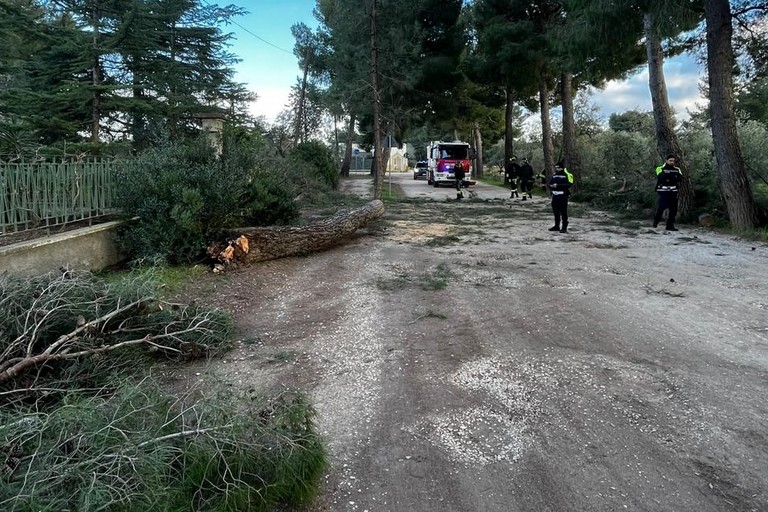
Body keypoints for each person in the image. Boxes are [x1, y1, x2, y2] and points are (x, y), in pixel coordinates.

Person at [653, 154, 683, 231]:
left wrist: (669, 177)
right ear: (666, 161)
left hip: (673, 191)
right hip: (663, 191)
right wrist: (672, 177)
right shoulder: (659, 168)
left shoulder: (677, 169)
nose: (672, 162)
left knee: (673, 209)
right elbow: (661, 177)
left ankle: (670, 226)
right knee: (662, 207)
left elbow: (680, 178)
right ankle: (656, 222)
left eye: (673, 161)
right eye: (670, 160)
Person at [548, 161, 572, 233]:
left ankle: (564, 227)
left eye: (557, 168)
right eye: (555, 167)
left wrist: (558, 186)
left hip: (563, 196)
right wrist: (551, 186)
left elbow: (569, 185)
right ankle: (556, 226)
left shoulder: (567, 175)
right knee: (556, 211)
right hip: (555, 196)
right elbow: (550, 183)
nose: (556, 169)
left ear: (561, 168)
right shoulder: (554, 175)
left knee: (563, 212)